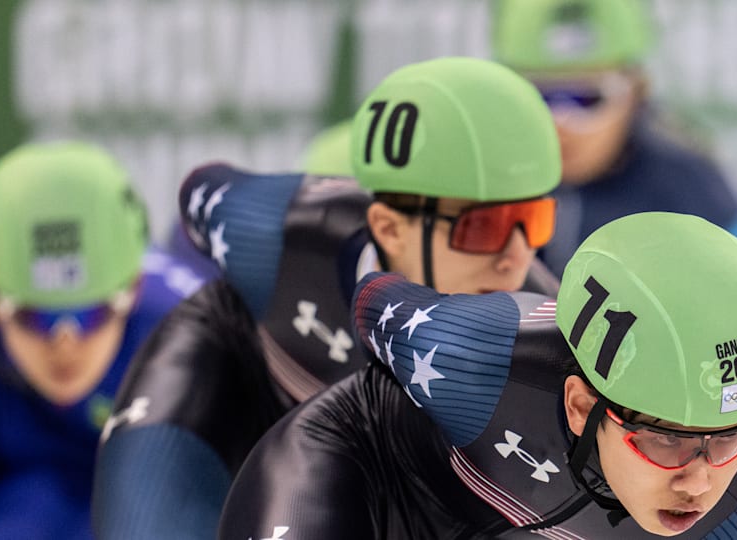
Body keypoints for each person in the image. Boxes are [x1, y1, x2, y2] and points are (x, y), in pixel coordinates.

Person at [92, 56, 564, 538]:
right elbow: (200, 190)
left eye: (534, 223)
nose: (516, 258)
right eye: (484, 228)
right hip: (238, 390)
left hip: (387, 470)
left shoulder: (547, 340)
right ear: (388, 229)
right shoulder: (284, 238)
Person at [218, 211, 737, 539]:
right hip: (359, 478)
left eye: (729, 437)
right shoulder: (478, 361)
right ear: (578, 405)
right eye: (665, 439)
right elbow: (373, 299)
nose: (698, 483)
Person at [0, 142, 215, 539]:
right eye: (34, 315)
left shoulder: (204, 347)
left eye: (92, 314)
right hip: (7, 399)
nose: (64, 343)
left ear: (134, 289)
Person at [492, 0, 737, 320]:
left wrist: (700, 290)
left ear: (636, 91)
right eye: (539, 96)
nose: (561, 122)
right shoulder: (487, 168)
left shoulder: (680, 177)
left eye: (587, 98)